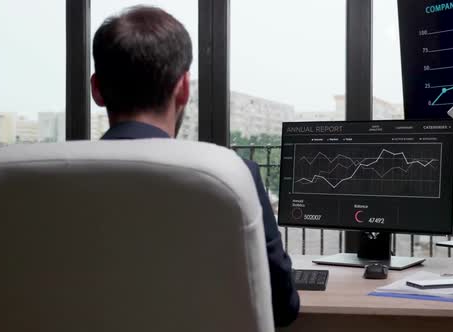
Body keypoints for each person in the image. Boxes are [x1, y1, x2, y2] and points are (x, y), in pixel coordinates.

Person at [91, 6, 300, 327]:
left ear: (97, 90)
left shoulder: (37, 187)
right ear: (184, 88)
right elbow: (281, 305)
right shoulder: (232, 175)